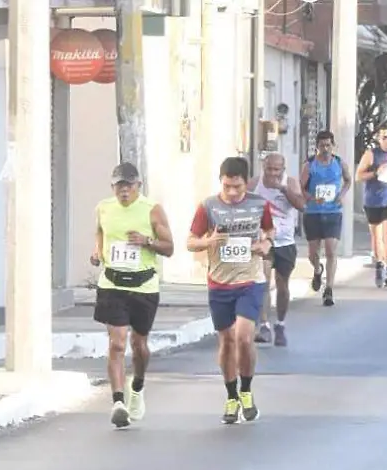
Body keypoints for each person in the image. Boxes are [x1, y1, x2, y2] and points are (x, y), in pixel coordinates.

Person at [188, 157, 275, 423]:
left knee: (244, 337)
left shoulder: (259, 204)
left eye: (237, 187)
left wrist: (266, 244)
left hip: (249, 280)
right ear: (221, 182)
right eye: (227, 187)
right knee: (226, 341)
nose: (233, 192)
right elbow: (190, 242)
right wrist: (208, 241)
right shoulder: (208, 207)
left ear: (245, 183)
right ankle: (230, 396)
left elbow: (270, 230)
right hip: (219, 283)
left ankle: (246, 391)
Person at [90, 162, 174, 428]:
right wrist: (97, 252)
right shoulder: (104, 208)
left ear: (138, 185)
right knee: (117, 343)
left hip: (144, 286)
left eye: (129, 185)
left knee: (139, 345)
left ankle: (137, 387)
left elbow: (169, 247)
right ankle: (117, 402)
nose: (123, 191)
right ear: (112, 187)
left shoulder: (152, 210)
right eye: (119, 186)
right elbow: (101, 233)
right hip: (112, 283)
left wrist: (147, 241)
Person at [249, 153, 307, 346]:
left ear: (282, 170)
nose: (272, 173)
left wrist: (283, 189)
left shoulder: (290, 182)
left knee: (282, 286)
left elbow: (301, 206)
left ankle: (280, 324)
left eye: (276, 169)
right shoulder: (255, 184)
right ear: (263, 167)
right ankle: (264, 326)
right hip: (264, 241)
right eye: (269, 169)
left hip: (285, 242)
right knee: (263, 282)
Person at [300, 130, 352, 307]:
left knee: (331, 250)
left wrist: (341, 195)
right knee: (312, 253)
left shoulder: (339, 163)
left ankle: (329, 289)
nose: (325, 149)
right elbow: (301, 188)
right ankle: (317, 269)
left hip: (333, 211)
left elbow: (348, 181)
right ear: (317, 147)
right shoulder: (309, 165)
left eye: (328, 145)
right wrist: (313, 198)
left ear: (333, 145)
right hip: (313, 212)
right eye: (322, 146)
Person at [356, 126, 387, 288]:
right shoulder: (371, 154)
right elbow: (359, 176)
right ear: (379, 139)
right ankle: (379, 264)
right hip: (373, 200)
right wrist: (376, 173)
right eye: (384, 137)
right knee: (376, 236)